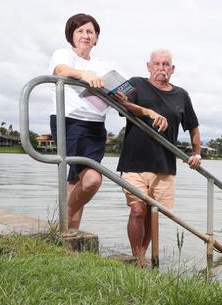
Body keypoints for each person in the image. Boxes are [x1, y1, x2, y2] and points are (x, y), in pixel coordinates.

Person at [49, 13, 167, 233]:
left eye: (90, 31)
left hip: (95, 126)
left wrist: (143, 108)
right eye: (80, 31)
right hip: (69, 121)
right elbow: (60, 71)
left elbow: (124, 91)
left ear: (96, 37)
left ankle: (67, 233)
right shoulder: (64, 54)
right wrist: (84, 75)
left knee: (81, 181)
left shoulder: (104, 64)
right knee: (87, 179)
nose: (85, 35)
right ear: (71, 35)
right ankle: (64, 226)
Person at [116, 49, 202, 267]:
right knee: (138, 210)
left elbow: (193, 127)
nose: (161, 68)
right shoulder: (135, 83)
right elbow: (116, 99)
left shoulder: (181, 95)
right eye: (157, 64)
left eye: (166, 64)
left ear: (172, 69)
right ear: (148, 66)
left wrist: (196, 153)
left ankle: (142, 256)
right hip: (133, 162)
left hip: (163, 165)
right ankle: (138, 257)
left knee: (151, 215)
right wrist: (149, 112)